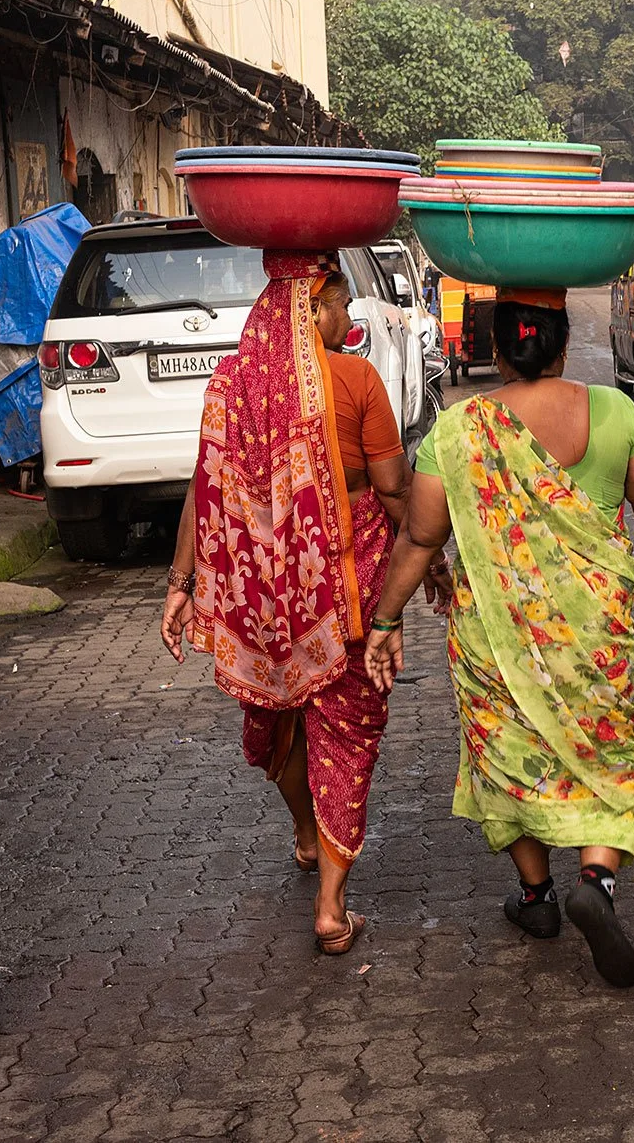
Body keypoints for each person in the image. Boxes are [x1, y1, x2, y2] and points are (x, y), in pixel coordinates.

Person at [363, 290, 634, 988]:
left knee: (509, 749)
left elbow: (422, 537)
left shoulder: (457, 431)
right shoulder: (616, 413)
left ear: (495, 352)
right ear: (562, 343)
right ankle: (598, 882)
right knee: (603, 742)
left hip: (495, 635)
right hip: (592, 633)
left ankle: (536, 896)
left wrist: (385, 619)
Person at [161, 256, 426, 955]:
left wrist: (179, 583)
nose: (347, 319)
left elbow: (204, 488)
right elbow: (395, 491)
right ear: (312, 310)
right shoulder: (357, 380)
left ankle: (307, 834)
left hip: (261, 597)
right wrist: (429, 558)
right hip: (347, 583)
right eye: (339, 304)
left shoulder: (231, 385)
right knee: (344, 728)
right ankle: (332, 906)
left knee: (277, 714)